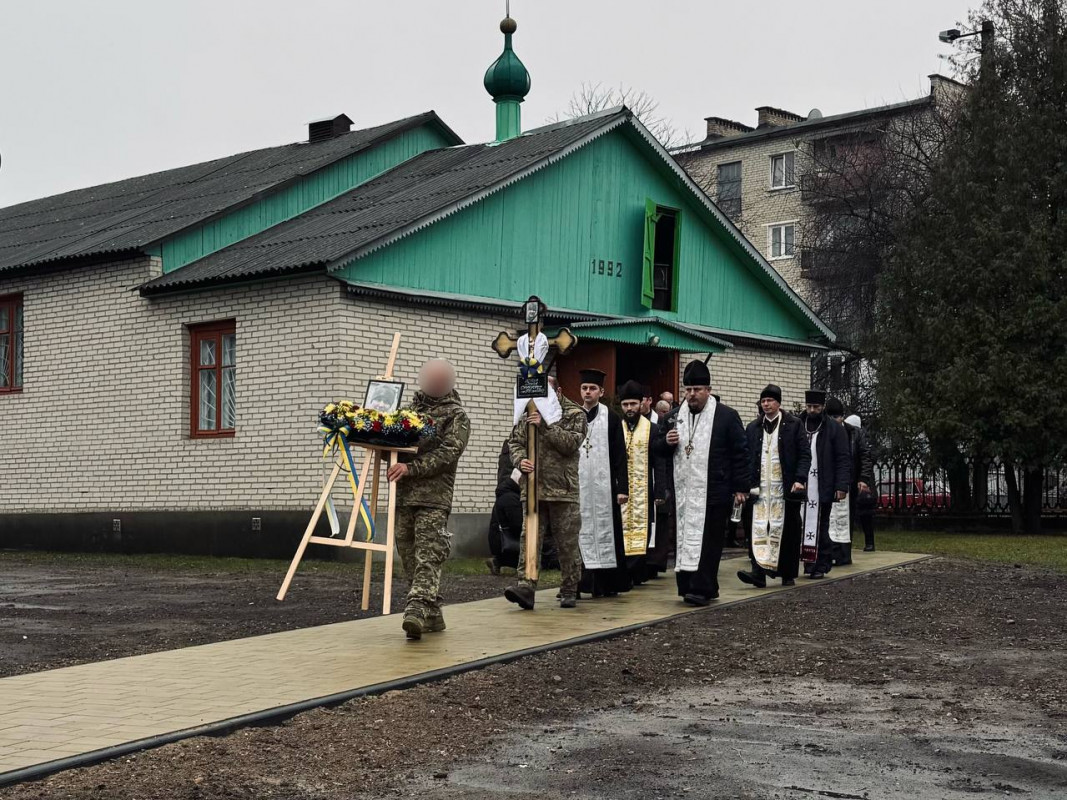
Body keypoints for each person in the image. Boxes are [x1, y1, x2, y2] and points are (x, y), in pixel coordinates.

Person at [652, 360, 749, 605]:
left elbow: (740, 453)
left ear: (708, 389)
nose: (692, 394)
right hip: (684, 492)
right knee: (684, 540)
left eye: (697, 389)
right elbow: (657, 449)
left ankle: (704, 588)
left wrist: (741, 488)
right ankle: (686, 586)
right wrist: (667, 442)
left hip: (715, 491)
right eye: (688, 390)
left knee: (709, 542)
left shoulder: (726, 416)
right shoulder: (675, 417)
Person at [388, 359, 471, 640]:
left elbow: (449, 453)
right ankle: (433, 615)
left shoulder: (456, 416)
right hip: (403, 496)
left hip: (434, 497)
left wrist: (411, 468)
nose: (434, 384)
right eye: (430, 379)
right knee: (408, 555)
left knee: (428, 555)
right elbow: (393, 443)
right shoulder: (408, 411)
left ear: (448, 382)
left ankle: (417, 609)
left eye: (440, 379)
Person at [504, 376, 587, 610]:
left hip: (563, 489)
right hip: (533, 488)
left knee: (566, 541)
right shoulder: (528, 412)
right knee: (529, 539)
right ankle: (526, 586)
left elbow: (570, 443)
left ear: (557, 391)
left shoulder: (574, 414)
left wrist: (544, 425)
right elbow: (515, 442)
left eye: (544, 394)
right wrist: (521, 461)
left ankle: (570, 587)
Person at [738, 385, 810, 588]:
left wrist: (800, 478)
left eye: (770, 401)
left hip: (785, 488)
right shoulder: (753, 427)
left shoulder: (794, 425)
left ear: (778, 403)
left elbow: (804, 454)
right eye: (763, 401)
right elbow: (745, 457)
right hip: (759, 489)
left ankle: (787, 574)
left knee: (787, 530)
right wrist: (744, 484)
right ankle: (758, 572)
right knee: (759, 528)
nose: (766, 404)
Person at [576, 369, 632, 597]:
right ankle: (580, 583)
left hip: (605, 489)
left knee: (607, 533)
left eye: (592, 388)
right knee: (579, 533)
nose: (588, 392)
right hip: (579, 487)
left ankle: (608, 584)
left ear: (601, 391)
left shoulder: (612, 417)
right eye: (584, 388)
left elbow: (621, 455)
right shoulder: (572, 415)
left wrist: (623, 488)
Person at [797, 390, 851, 579]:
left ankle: (821, 565)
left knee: (821, 525)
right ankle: (808, 564)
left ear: (822, 408)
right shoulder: (798, 424)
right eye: (809, 406)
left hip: (823, 483)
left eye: (816, 407)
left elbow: (843, 458)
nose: (812, 410)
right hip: (801, 484)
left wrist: (841, 486)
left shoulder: (834, 428)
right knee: (802, 525)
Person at [617, 379, 663, 585]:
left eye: (633, 404)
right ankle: (624, 571)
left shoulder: (652, 429)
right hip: (622, 490)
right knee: (621, 528)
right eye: (625, 404)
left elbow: (659, 462)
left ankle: (638, 571)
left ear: (641, 404)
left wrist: (661, 490)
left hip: (645, 490)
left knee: (642, 529)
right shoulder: (616, 428)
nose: (629, 408)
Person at [825, 401, 875, 565]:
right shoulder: (825, 431)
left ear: (842, 417)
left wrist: (863, 478)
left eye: (837, 417)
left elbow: (865, 456)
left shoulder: (855, 433)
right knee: (830, 518)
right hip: (829, 481)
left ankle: (844, 554)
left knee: (846, 518)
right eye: (831, 417)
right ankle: (832, 551)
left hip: (849, 481)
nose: (834, 420)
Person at [846, 413, 877, 551]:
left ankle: (869, 542)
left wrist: (863, 479)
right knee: (858, 513)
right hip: (857, 479)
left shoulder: (861, 439)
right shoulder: (852, 438)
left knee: (865, 513)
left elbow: (867, 459)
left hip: (863, 480)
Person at [486, 467, 522, 575]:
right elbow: (517, 524)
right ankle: (498, 562)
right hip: (503, 540)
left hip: (500, 538)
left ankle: (498, 561)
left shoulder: (507, 493)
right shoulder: (511, 498)